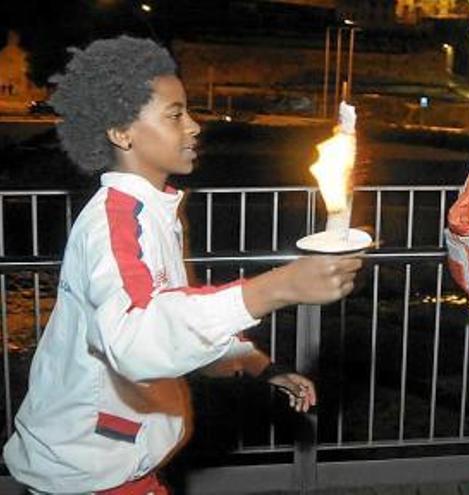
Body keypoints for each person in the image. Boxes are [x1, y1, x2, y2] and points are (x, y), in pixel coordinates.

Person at [2, 36, 362, 494]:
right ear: (120, 131)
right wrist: (277, 287)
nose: (193, 127)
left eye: (188, 112)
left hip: (121, 467)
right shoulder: (117, 224)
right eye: (175, 115)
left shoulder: (152, 213)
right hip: (90, 476)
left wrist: (258, 366)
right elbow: (135, 339)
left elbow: (174, 324)